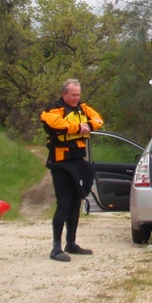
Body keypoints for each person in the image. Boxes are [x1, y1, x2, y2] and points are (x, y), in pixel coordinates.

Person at [40, 79, 104, 262]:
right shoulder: (55, 108)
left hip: (77, 160)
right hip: (60, 162)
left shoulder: (83, 108)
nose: (76, 98)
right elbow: (53, 122)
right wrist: (78, 128)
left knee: (76, 202)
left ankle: (71, 244)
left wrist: (89, 127)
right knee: (64, 202)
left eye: (78, 95)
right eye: (73, 95)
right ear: (64, 94)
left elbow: (98, 119)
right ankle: (56, 248)